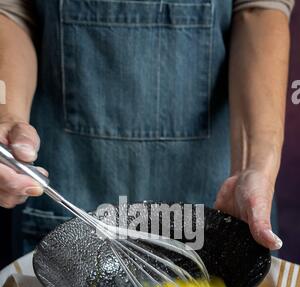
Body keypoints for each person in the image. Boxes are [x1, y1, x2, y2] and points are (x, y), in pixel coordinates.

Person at [0, 0, 294, 254]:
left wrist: (252, 168)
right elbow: (11, 11)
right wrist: (7, 116)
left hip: (212, 198)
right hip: (69, 191)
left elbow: (259, 9)